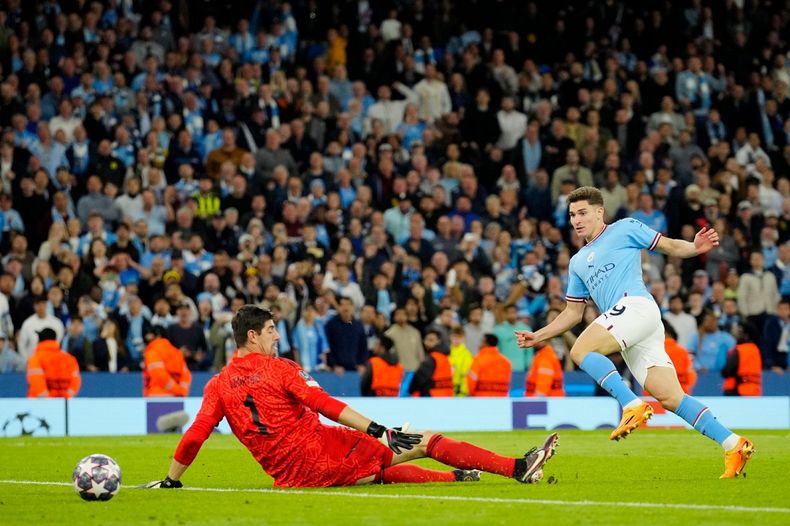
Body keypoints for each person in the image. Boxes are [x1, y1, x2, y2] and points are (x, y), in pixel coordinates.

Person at [145, 306, 559, 489]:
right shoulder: (281, 369)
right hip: (323, 451)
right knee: (426, 441)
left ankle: (457, 477)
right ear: (253, 335)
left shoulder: (217, 384)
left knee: (376, 468)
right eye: (271, 330)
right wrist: (378, 428)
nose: (276, 336)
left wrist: (172, 479)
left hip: (290, 478)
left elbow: (195, 435)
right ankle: (516, 467)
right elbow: (326, 406)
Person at [515, 187, 754, 478]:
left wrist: (694, 248)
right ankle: (733, 444)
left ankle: (631, 404)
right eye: (572, 215)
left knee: (580, 350)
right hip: (633, 326)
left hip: (636, 306)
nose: (576, 220)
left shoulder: (625, 228)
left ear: (599, 212)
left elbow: (668, 245)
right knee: (669, 397)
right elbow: (572, 313)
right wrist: (539, 335)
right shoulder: (577, 262)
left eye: (582, 213)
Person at [26, 328, 81, 398]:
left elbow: (36, 382)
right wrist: (65, 397)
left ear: (40, 340)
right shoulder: (69, 358)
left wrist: (49, 399)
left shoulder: (36, 358)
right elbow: (75, 381)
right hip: (64, 404)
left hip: (39, 405)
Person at [143, 326, 192, 397]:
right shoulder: (176, 352)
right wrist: (181, 391)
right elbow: (186, 375)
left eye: (149, 334)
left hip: (157, 397)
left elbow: (159, 376)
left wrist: (177, 390)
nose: (147, 337)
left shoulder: (152, 352)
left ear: (158, 336)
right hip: (177, 398)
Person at [408, 330, 453, 397]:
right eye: (426, 340)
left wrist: (411, 390)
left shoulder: (432, 358)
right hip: (446, 395)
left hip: (432, 395)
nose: (427, 343)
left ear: (438, 341)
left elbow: (419, 379)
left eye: (431, 340)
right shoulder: (445, 357)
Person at [722, 323, 762, 396]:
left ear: (746, 335)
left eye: (740, 332)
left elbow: (726, 371)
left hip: (736, 391)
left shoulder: (740, 350)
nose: (737, 334)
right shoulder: (755, 350)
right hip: (753, 391)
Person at [661, 321, 697, 395]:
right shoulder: (683, 351)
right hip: (680, 393)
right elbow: (690, 376)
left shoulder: (654, 351)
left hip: (655, 394)